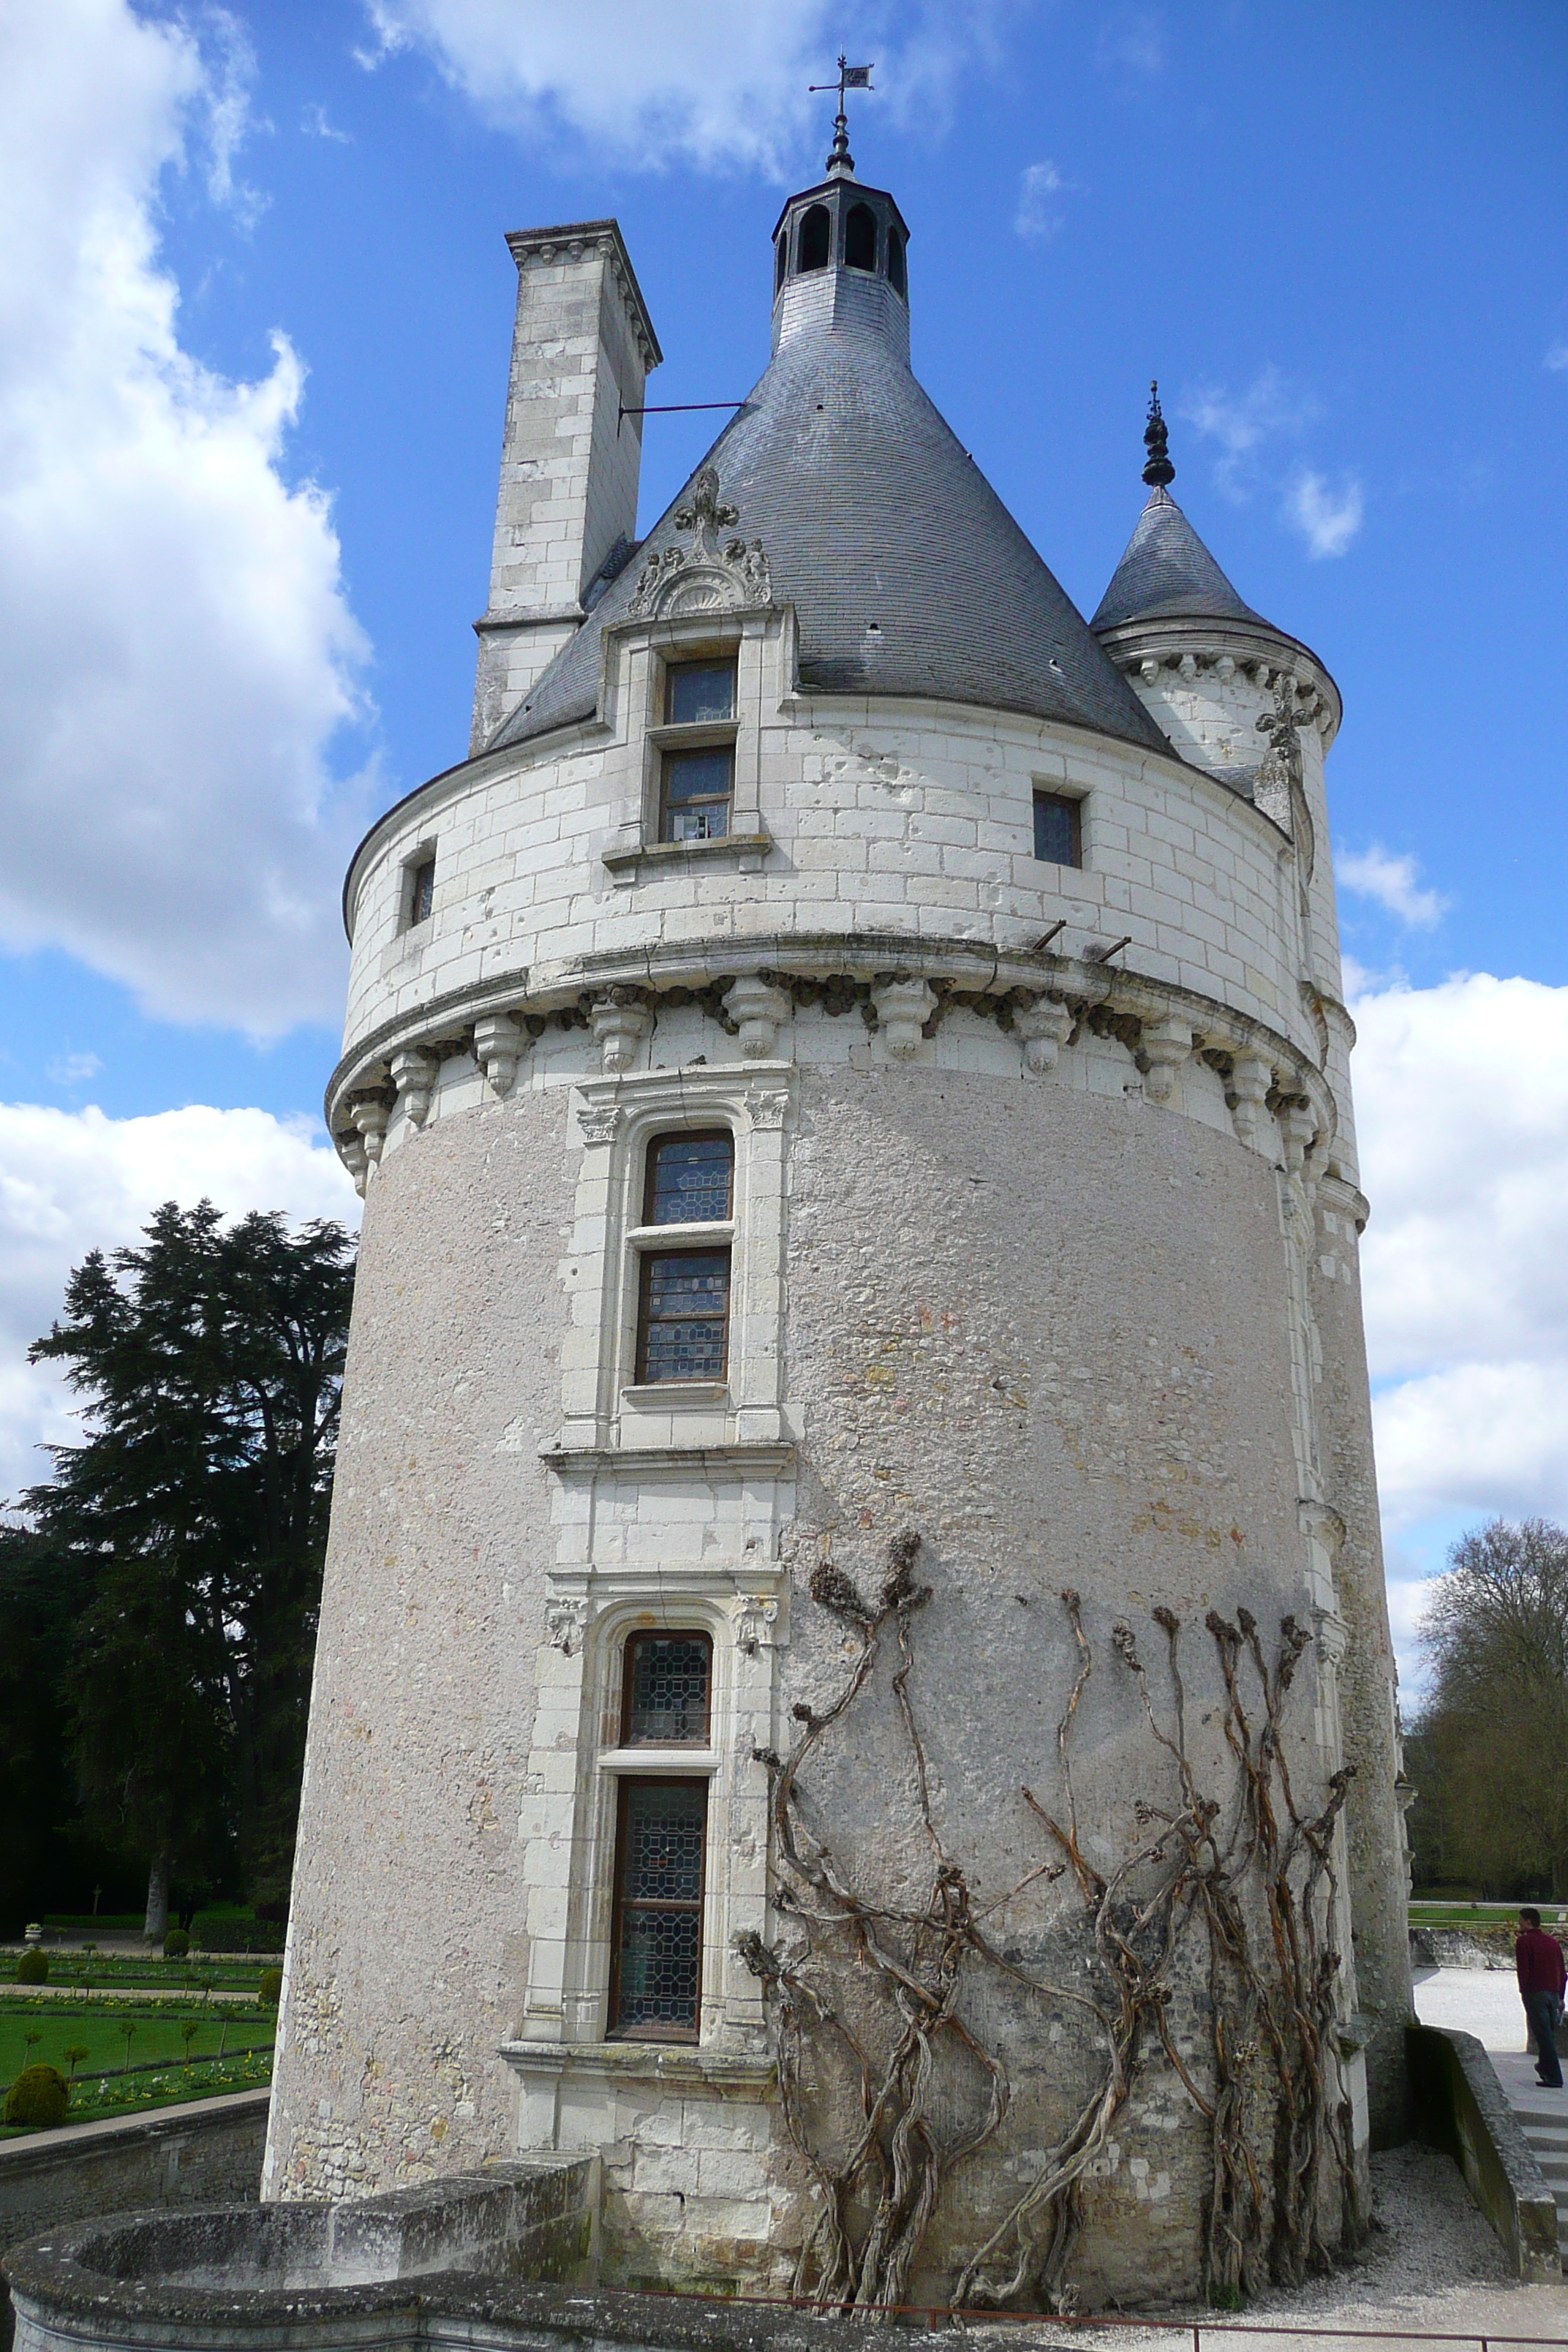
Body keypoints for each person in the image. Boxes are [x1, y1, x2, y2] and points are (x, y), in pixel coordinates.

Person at [1516, 1907, 1567, 2087]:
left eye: (1521, 1920)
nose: (1519, 1923)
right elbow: (1563, 1972)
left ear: (1528, 1922)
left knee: (1543, 2035)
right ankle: (1544, 2067)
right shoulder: (1552, 1942)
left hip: (1535, 1993)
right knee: (1548, 2033)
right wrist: (1560, 1996)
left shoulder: (1524, 1942)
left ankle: (1554, 2076)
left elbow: (1524, 1972)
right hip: (1553, 1993)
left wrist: (1525, 1991)